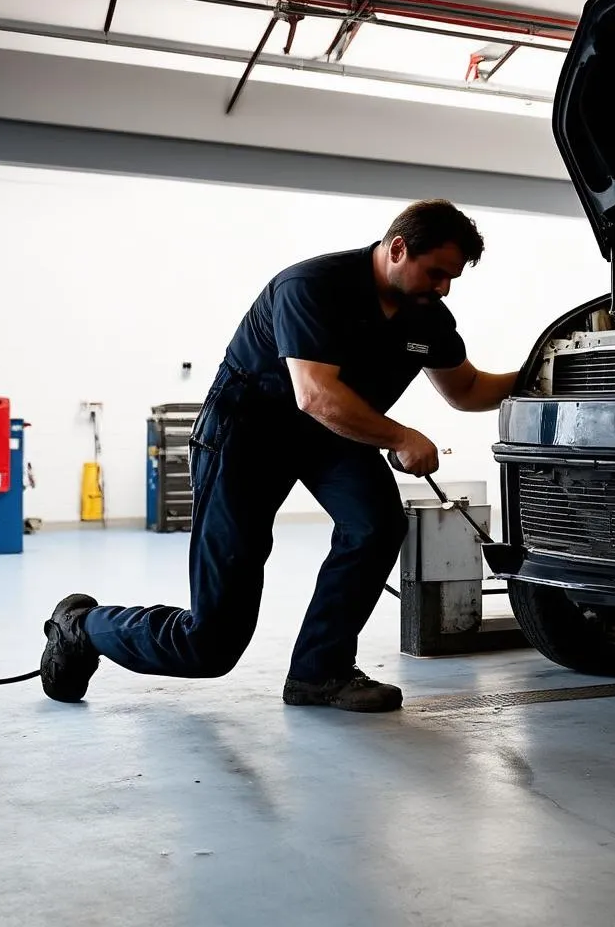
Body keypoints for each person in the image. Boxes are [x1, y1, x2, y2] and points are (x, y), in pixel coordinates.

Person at [39, 199, 520, 713]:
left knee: (376, 524)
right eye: (437, 273)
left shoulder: (427, 317)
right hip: (246, 435)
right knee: (211, 645)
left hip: (331, 437)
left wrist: (540, 365)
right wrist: (400, 437)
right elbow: (314, 394)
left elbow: (467, 389)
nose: (443, 287)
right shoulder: (312, 286)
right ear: (399, 248)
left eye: (452, 278)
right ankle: (83, 625)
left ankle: (320, 673)